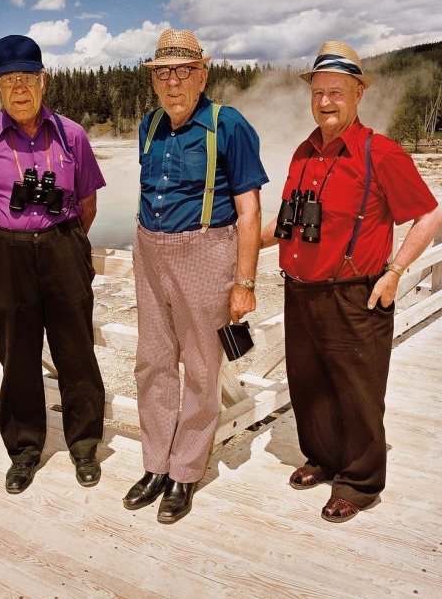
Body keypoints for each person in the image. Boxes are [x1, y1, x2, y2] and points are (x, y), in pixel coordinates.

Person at [260, 40, 442, 523]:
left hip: (355, 294)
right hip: (300, 289)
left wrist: (395, 272)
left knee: (358, 391)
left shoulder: (378, 152)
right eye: (319, 92)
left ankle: (360, 482)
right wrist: (227, 241)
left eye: (337, 92)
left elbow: (429, 216)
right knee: (309, 384)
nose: (325, 102)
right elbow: (289, 222)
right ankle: (323, 459)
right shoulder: (304, 151)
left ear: (358, 94)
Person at [123, 29, 269, 523]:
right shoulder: (148, 126)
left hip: (206, 252)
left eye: (183, 71)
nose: (172, 82)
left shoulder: (228, 125)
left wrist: (244, 282)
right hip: (150, 252)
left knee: (202, 369)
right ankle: (155, 464)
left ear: (202, 75)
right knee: (153, 362)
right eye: (162, 72)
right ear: (153, 81)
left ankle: (185, 471)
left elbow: (249, 211)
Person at [0, 35, 106, 494]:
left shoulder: (72, 135)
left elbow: (87, 205)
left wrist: (55, 240)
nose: (20, 89)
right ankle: (24, 449)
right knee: (17, 354)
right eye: (9, 80)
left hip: (62, 245)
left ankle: (84, 444)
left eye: (28, 78)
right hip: (7, 253)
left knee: (75, 349)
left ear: (44, 80)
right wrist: (13, 243)